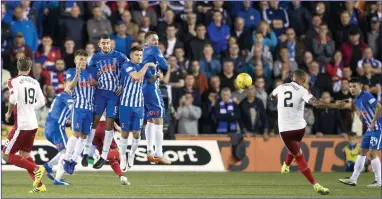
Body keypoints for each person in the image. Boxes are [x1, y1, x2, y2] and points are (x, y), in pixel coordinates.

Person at [270, 69, 345, 195]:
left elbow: (271, 96)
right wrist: (335, 106)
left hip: (285, 130)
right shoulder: (304, 91)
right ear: (304, 79)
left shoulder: (280, 87)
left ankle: (312, 182)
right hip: (300, 129)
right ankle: (289, 167)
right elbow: (316, 103)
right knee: (296, 150)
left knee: (298, 155)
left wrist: (278, 98)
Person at [83, 35, 129, 169]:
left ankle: (103, 156)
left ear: (111, 44)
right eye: (103, 43)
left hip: (114, 95)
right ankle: (86, 153)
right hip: (100, 93)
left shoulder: (119, 56)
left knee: (109, 125)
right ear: (99, 44)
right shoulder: (95, 58)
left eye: (108, 43)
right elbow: (90, 73)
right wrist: (93, 81)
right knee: (93, 123)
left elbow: (129, 69)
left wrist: (122, 84)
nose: (106, 45)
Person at [2, 57, 46, 193]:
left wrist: (8, 113)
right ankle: (40, 185)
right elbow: (42, 101)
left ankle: (37, 169)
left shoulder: (13, 80)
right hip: (33, 123)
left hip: (22, 124)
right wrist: (30, 108)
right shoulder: (34, 82)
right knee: (25, 154)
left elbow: (13, 98)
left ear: (17, 66)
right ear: (30, 67)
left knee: (6, 155)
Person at [339, 77, 382, 187]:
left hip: (378, 127)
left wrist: (372, 122)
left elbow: (379, 107)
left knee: (372, 153)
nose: (352, 89)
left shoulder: (366, 95)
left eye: (354, 86)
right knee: (362, 152)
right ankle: (353, 179)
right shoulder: (356, 100)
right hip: (370, 129)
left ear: (360, 86)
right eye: (350, 87)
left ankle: (379, 181)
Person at [118, 46, 156, 170]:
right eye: (137, 55)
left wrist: (157, 76)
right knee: (124, 132)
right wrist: (147, 65)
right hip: (125, 104)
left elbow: (149, 79)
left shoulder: (143, 66)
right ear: (131, 55)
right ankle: (123, 156)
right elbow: (136, 76)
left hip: (138, 105)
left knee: (137, 133)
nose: (139, 57)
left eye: (141, 55)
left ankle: (132, 154)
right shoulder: (127, 65)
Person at [62, 50, 96, 174]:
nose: (82, 61)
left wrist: (95, 82)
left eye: (84, 59)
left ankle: (74, 161)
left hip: (90, 108)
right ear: (75, 61)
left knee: (84, 136)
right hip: (79, 107)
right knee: (76, 134)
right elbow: (69, 88)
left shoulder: (92, 71)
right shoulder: (71, 72)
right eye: (80, 59)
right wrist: (77, 75)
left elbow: (98, 85)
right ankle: (67, 158)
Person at [142, 31, 170, 164]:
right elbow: (165, 65)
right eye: (153, 39)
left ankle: (149, 151)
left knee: (151, 120)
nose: (156, 42)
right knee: (159, 121)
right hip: (152, 87)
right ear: (146, 41)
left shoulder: (141, 52)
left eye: (157, 40)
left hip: (142, 89)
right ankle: (159, 153)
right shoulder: (153, 49)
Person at [43, 84, 73, 185]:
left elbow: (62, 116)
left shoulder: (59, 96)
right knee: (66, 153)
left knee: (65, 151)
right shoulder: (66, 96)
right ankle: (58, 179)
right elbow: (73, 108)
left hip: (49, 127)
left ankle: (49, 165)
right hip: (57, 128)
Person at [93, 114, 130, 185]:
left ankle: (122, 176)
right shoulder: (104, 102)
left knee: (108, 156)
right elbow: (106, 112)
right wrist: (116, 126)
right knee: (116, 152)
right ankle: (99, 157)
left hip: (93, 128)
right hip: (103, 125)